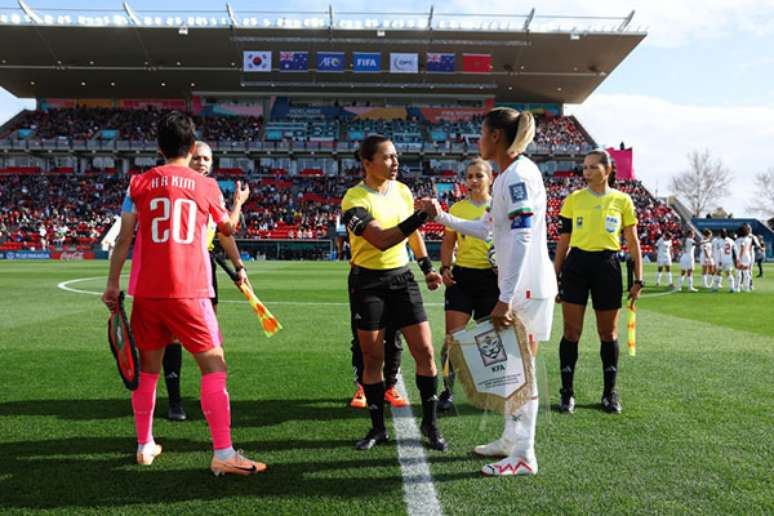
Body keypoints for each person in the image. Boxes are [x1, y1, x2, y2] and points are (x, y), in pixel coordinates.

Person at [101, 111, 265, 476]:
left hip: (147, 293)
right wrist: (239, 202)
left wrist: (113, 285)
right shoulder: (206, 186)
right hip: (190, 291)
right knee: (214, 368)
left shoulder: (137, 184)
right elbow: (228, 228)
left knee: (148, 372)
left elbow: (124, 238)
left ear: (159, 148)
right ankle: (223, 452)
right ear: (192, 149)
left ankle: (145, 444)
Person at [417, 107, 557, 476]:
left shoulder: (517, 177)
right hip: (518, 287)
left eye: (481, 132)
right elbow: (486, 229)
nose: (477, 139)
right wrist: (442, 217)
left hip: (524, 289)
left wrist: (506, 297)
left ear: (495, 136)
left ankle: (524, 454)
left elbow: (524, 235)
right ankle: (511, 439)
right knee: (512, 369)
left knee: (520, 371)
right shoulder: (509, 176)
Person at [341, 134, 447, 452]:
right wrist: (422, 215)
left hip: (402, 279)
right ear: (367, 163)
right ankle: (377, 428)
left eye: (396, 156)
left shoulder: (402, 191)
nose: (394, 162)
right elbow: (382, 239)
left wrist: (427, 266)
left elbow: (412, 237)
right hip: (368, 283)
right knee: (373, 359)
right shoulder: (353, 199)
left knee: (426, 352)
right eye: (387, 157)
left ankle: (430, 423)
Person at [162, 141, 250, 421]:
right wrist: (238, 205)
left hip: (205, 269)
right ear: (187, 158)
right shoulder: (174, 187)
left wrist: (239, 266)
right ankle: (174, 401)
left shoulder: (211, 190)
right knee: (173, 335)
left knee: (209, 336)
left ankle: (210, 397)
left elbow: (225, 233)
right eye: (197, 157)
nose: (201, 163)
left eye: (206, 159)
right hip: (176, 269)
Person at [553, 148, 643, 415]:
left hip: (608, 266)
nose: (587, 171)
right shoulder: (573, 199)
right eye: (585, 167)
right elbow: (563, 241)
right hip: (576, 266)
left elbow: (633, 242)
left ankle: (609, 393)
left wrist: (638, 278)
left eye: (593, 167)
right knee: (571, 332)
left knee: (608, 333)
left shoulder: (623, 200)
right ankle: (567, 393)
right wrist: (554, 275)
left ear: (608, 169)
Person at [437, 158, 499, 412]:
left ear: (490, 178)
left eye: (479, 176)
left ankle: (490, 391)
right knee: (453, 338)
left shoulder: (499, 207)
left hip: (491, 281)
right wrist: (445, 268)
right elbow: (448, 243)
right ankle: (447, 391)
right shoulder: (458, 208)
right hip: (462, 279)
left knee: (489, 339)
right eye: (470, 176)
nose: (473, 181)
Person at [734, 224, 753, 292]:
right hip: (747, 256)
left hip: (741, 256)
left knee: (738, 272)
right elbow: (750, 250)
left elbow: (742, 248)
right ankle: (746, 288)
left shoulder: (737, 240)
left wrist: (738, 258)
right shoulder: (749, 239)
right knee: (746, 272)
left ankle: (737, 288)